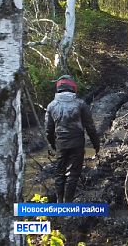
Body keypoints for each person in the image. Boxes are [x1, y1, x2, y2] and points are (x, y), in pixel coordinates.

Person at [46, 75, 100, 203]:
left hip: (60, 143)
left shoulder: (51, 105)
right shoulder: (80, 104)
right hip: (77, 143)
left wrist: (52, 145)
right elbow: (90, 127)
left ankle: (60, 204)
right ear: (73, 87)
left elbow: (48, 130)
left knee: (59, 173)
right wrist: (96, 144)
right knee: (73, 174)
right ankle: (68, 203)